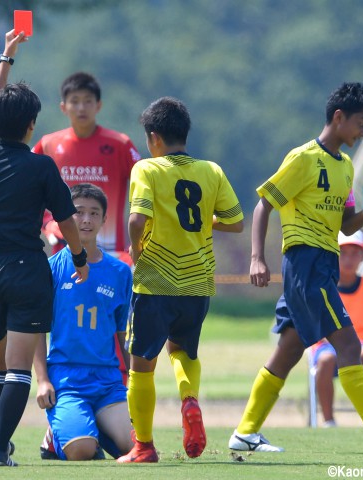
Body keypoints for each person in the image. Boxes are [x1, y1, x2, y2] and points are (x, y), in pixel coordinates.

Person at [229, 82, 363, 455]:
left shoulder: (345, 165)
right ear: (339, 118)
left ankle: (245, 432)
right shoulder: (304, 157)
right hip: (306, 263)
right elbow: (263, 205)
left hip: (322, 264)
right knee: (349, 343)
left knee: (288, 351)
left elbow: (347, 224)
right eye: (361, 124)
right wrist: (258, 257)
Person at [0, 30, 89, 467]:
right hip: (25, 270)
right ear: (31, 125)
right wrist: (78, 258)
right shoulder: (42, 165)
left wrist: (7, 55)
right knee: (20, 367)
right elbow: (66, 221)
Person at [117, 97, 244, 463]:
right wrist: (207, 222)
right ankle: (189, 399)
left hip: (156, 282)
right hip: (197, 282)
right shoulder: (211, 171)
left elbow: (136, 220)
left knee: (141, 362)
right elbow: (235, 222)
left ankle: (143, 446)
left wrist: (137, 255)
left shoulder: (147, 169)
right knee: (183, 350)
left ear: (154, 138)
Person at [33, 183, 134, 461]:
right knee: (81, 451)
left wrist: (137, 381)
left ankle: (93, 425)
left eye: (94, 213)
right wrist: (42, 380)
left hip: (107, 381)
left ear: (104, 220)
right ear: (65, 218)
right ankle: (59, 438)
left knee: (136, 448)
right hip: (66, 379)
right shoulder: (52, 269)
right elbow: (36, 329)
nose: (86, 220)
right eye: (78, 212)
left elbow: (124, 333)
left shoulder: (120, 272)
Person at [32, 71, 141, 255]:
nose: (81, 107)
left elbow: (147, 185)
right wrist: (47, 222)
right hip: (64, 251)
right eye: (74, 101)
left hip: (110, 251)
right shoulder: (48, 144)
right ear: (63, 107)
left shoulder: (120, 144)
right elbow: (27, 187)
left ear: (98, 105)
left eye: (88, 101)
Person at [312, 230, 363, 428]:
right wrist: (345, 347)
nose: (348, 259)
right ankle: (329, 421)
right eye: (343, 253)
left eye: (354, 253)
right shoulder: (323, 286)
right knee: (325, 359)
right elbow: (317, 326)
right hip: (331, 346)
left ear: (362, 256)